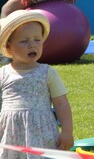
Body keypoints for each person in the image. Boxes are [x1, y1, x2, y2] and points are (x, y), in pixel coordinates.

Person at [0, 10, 74, 155]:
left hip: (42, 132)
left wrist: (67, 131)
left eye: (37, 40)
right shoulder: (3, 74)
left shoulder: (47, 73)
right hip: (10, 132)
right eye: (24, 41)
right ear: (9, 47)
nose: (32, 44)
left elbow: (61, 103)